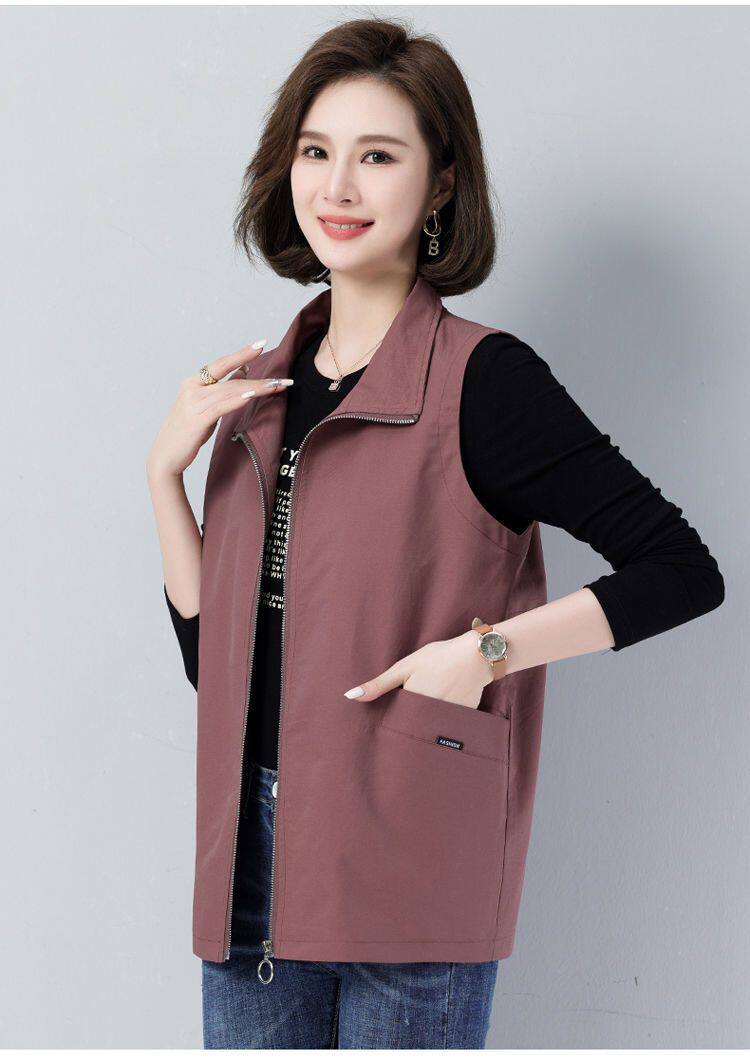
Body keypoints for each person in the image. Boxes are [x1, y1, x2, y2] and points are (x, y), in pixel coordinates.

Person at [146, 17, 725, 1050]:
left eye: (378, 157)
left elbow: (682, 569)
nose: (338, 187)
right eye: (316, 151)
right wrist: (162, 480)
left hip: (410, 863)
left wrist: (487, 652)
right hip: (245, 873)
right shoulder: (254, 398)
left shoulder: (485, 382)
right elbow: (216, 667)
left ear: (441, 183)